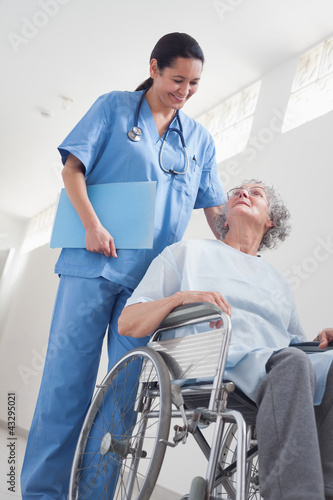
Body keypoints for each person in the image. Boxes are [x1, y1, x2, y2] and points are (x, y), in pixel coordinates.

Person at [21, 32, 225, 499]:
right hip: (91, 263)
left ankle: (95, 493)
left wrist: (247, 237)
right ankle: (42, 493)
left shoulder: (199, 140)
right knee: (65, 384)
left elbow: (215, 213)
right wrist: (91, 225)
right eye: (177, 79)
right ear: (154, 68)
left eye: (194, 84)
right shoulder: (114, 108)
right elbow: (73, 169)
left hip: (147, 286)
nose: (185, 92)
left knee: (124, 399)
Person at [119, 179, 333, 500]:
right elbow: (128, 321)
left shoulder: (277, 282)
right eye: (236, 192)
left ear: (270, 220)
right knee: (290, 363)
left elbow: (295, 347)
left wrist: (320, 343)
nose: (242, 193)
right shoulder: (189, 252)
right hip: (209, 362)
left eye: (255, 193)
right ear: (225, 215)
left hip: (273, 369)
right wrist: (181, 298)